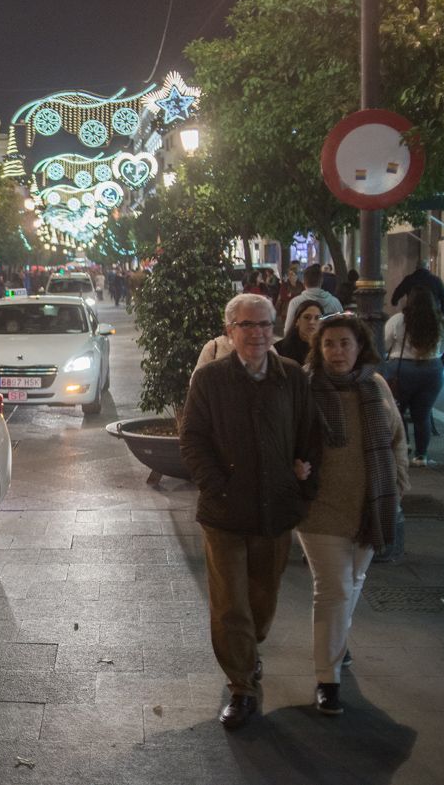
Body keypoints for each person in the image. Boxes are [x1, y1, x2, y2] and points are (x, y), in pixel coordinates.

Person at [180, 293, 317, 731]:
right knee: (229, 604)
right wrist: (217, 485)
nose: (257, 333)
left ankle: (248, 650)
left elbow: (309, 433)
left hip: (275, 509)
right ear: (229, 331)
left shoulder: (292, 376)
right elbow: (193, 438)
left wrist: (302, 478)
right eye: (246, 325)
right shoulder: (210, 380)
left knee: (263, 598)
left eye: (264, 325)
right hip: (224, 512)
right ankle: (241, 685)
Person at [298, 314, 408, 716]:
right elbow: (288, 437)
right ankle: (327, 678)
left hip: (370, 504)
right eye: (329, 344)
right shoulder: (306, 387)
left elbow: (397, 440)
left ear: (360, 347)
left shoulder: (375, 386)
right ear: (318, 348)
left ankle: (336, 646)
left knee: (355, 580)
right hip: (320, 508)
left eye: (345, 343)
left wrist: (398, 487)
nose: (337, 351)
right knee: (334, 589)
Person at [383, 287, 444, 466]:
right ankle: (422, 455)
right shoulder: (438, 322)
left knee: (398, 411)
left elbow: (385, 343)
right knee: (423, 415)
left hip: (401, 369)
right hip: (431, 371)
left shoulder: (398, 320)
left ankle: (404, 446)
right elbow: (443, 346)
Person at [283, 264, 342, 335]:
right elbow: (342, 328)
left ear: (304, 281)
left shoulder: (295, 302)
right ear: (321, 281)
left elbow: (288, 330)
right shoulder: (334, 302)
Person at [274, 299, 324, 366]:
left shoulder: (326, 348)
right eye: (307, 317)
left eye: (317, 318)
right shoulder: (278, 349)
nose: (312, 322)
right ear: (297, 321)